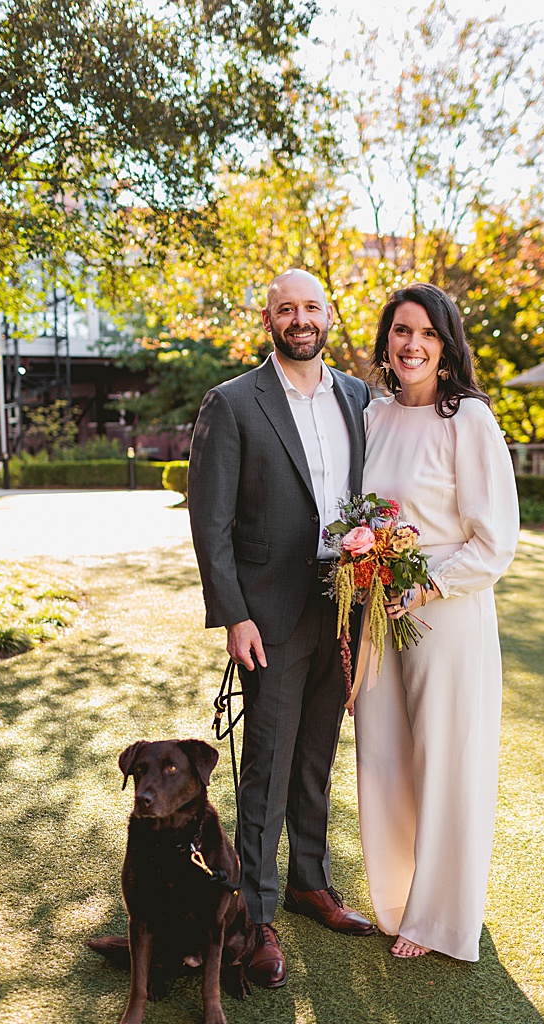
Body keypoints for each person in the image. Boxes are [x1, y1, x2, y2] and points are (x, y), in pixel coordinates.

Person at [188, 269, 376, 988]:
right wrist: (234, 613)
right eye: (285, 309)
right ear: (267, 319)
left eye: (311, 307)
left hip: (345, 605)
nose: (300, 319)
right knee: (265, 765)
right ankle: (257, 914)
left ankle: (310, 882)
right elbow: (212, 522)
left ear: (330, 315)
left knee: (318, 753)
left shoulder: (359, 397)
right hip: (267, 614)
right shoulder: (232, 402)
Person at [352, 282, 519, 961]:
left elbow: (495, 540)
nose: (412, 344)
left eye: (425, 333)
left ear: (446, 347)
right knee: (384, 756)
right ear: (386, 344)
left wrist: (427, 589)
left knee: (447, 762)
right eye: (400, 332)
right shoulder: (376, 415)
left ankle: (442, 918)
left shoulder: (469, 420)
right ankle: (398, 897)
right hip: (374, 613)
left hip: (444, 615)